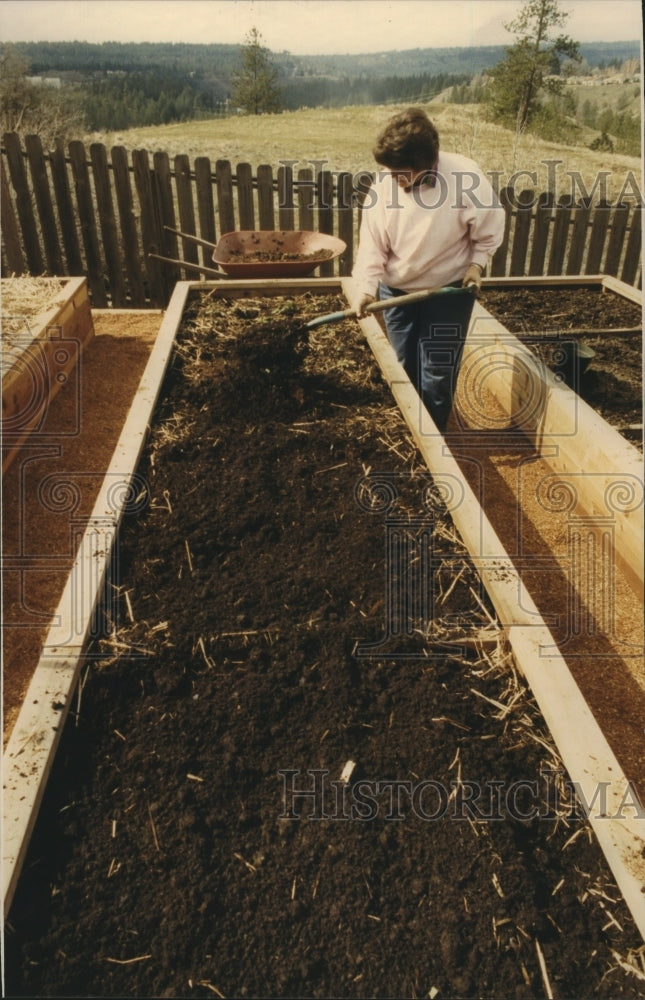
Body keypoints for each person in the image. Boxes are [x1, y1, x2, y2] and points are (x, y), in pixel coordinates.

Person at [352, 107, 506, 432]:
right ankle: (407, 432)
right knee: (402, 364)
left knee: (437, 370)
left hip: (448, 289)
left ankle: (433, 437)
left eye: (399, 173)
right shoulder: (384, 187)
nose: (391, 178)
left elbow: (489, 229)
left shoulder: (466, 178)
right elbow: (371, 245)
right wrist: (365, 288)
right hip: (397, 290)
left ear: (425, 164)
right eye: (388, 171)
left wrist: (477, 265)